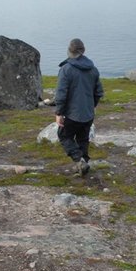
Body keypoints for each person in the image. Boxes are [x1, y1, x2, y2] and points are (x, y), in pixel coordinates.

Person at [54, 38, 104, 177]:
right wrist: (91, 106)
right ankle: (83, 164)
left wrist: (59, 113)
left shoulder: (66, 69)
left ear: (70, 51)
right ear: (84, 50)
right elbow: (98, 92)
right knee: (83, 139)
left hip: (72, 114)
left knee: (64, 136)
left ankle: (79, 160)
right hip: (88, 114)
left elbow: (61, 94)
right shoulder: (93, 69)